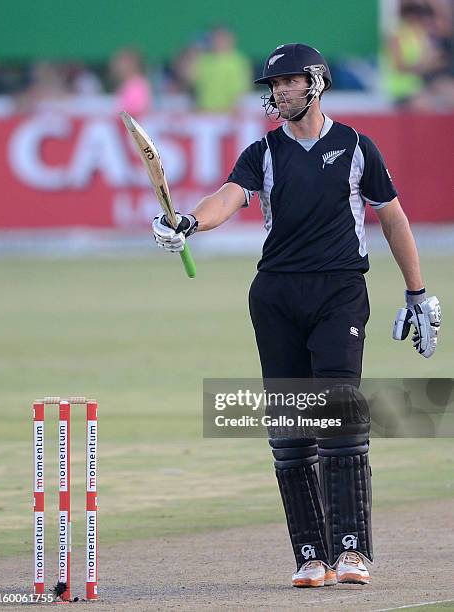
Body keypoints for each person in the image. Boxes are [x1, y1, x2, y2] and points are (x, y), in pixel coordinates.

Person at [152, 43, 441, 588]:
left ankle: (353, 550)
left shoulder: (356, 146)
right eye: (273, 85)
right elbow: (231, 196)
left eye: (288, 82)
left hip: (339, 293)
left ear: (315, 83)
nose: (279, 91)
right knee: (290, 431)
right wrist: (190, 221)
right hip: (276, 296)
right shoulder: (263, 151)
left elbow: (394, 219)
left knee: (336, 417)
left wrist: (416, 292)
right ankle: (311, 555)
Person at [110, 48, 152, 117]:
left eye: (123, 63)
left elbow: (139, 110)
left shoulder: (139, 84)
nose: (118, 68)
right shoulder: (125, 85)